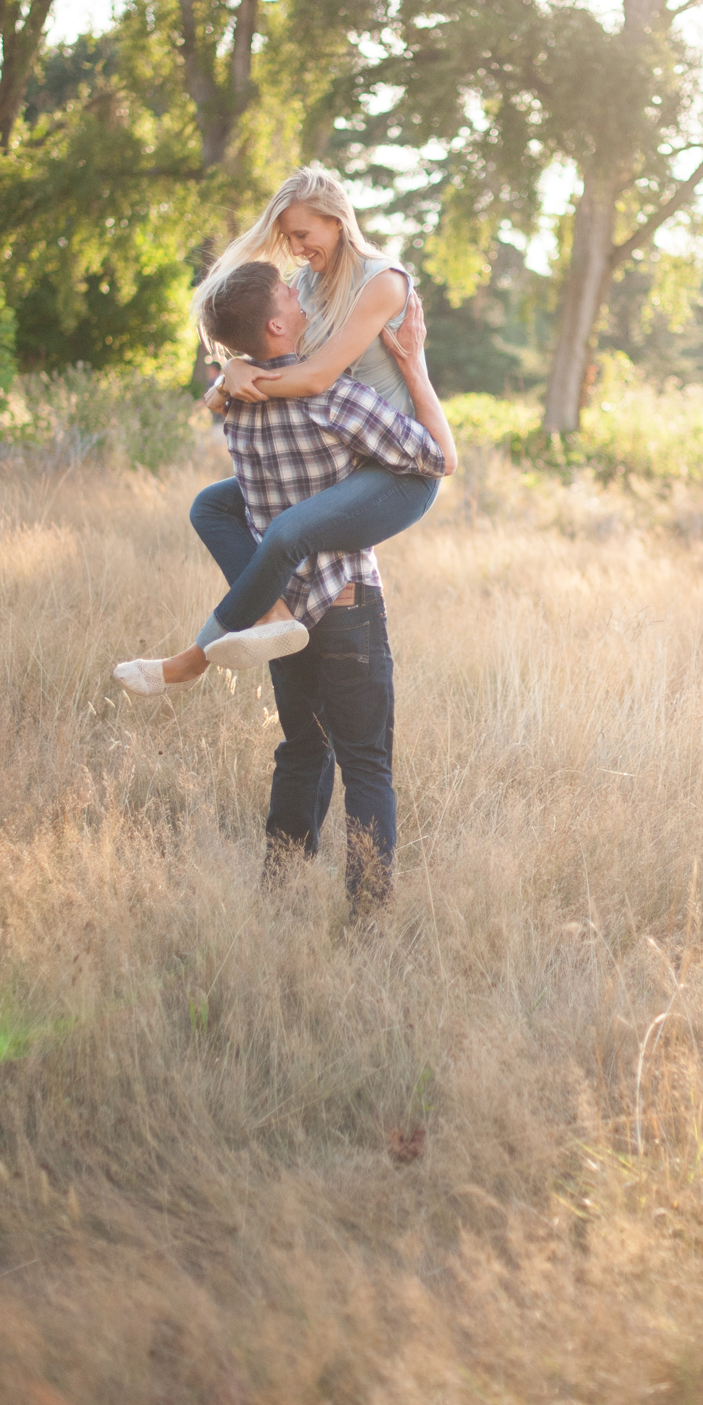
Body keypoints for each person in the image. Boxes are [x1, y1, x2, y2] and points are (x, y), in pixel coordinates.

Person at [184, 259, 455, 915]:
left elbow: (242, 496)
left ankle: (277, 899)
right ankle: (365, 919)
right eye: (288, 293)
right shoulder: (332, 397)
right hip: (345, 604)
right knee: (366, 764)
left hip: (287, 614)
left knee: (301, 752)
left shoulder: (236, 407)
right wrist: (414, 369)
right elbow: (435, 457)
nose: (301, 296)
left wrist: (233, 373)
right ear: (277, 324)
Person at [116, 166, 434, 693]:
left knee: (287, 530)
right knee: (212, 506)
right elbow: (271, 353)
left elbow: (314, 378)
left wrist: (240, 376)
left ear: (336, 222)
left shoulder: (382, 282)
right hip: (344, 455)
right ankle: (277, 612)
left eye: (302, 234)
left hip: (398, 464)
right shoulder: (306, 283)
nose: (293, 248)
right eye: (286, 236)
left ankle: (194, 659)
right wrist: (232, 371)